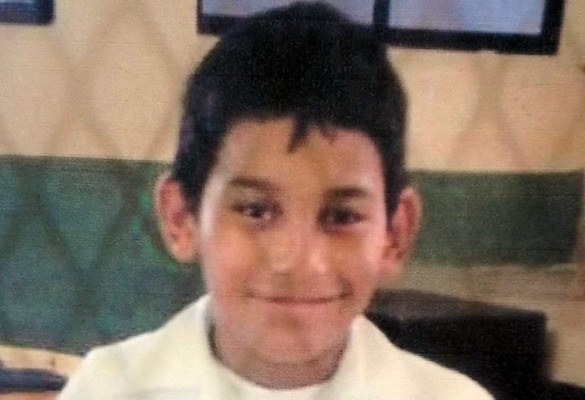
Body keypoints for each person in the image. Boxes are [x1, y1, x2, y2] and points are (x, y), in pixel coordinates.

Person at [58, 2, 493, 399]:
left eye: (341, 216)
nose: (296, 260)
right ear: (181, 218)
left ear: (394, 235)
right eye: (255, 210)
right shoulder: (108, 389)